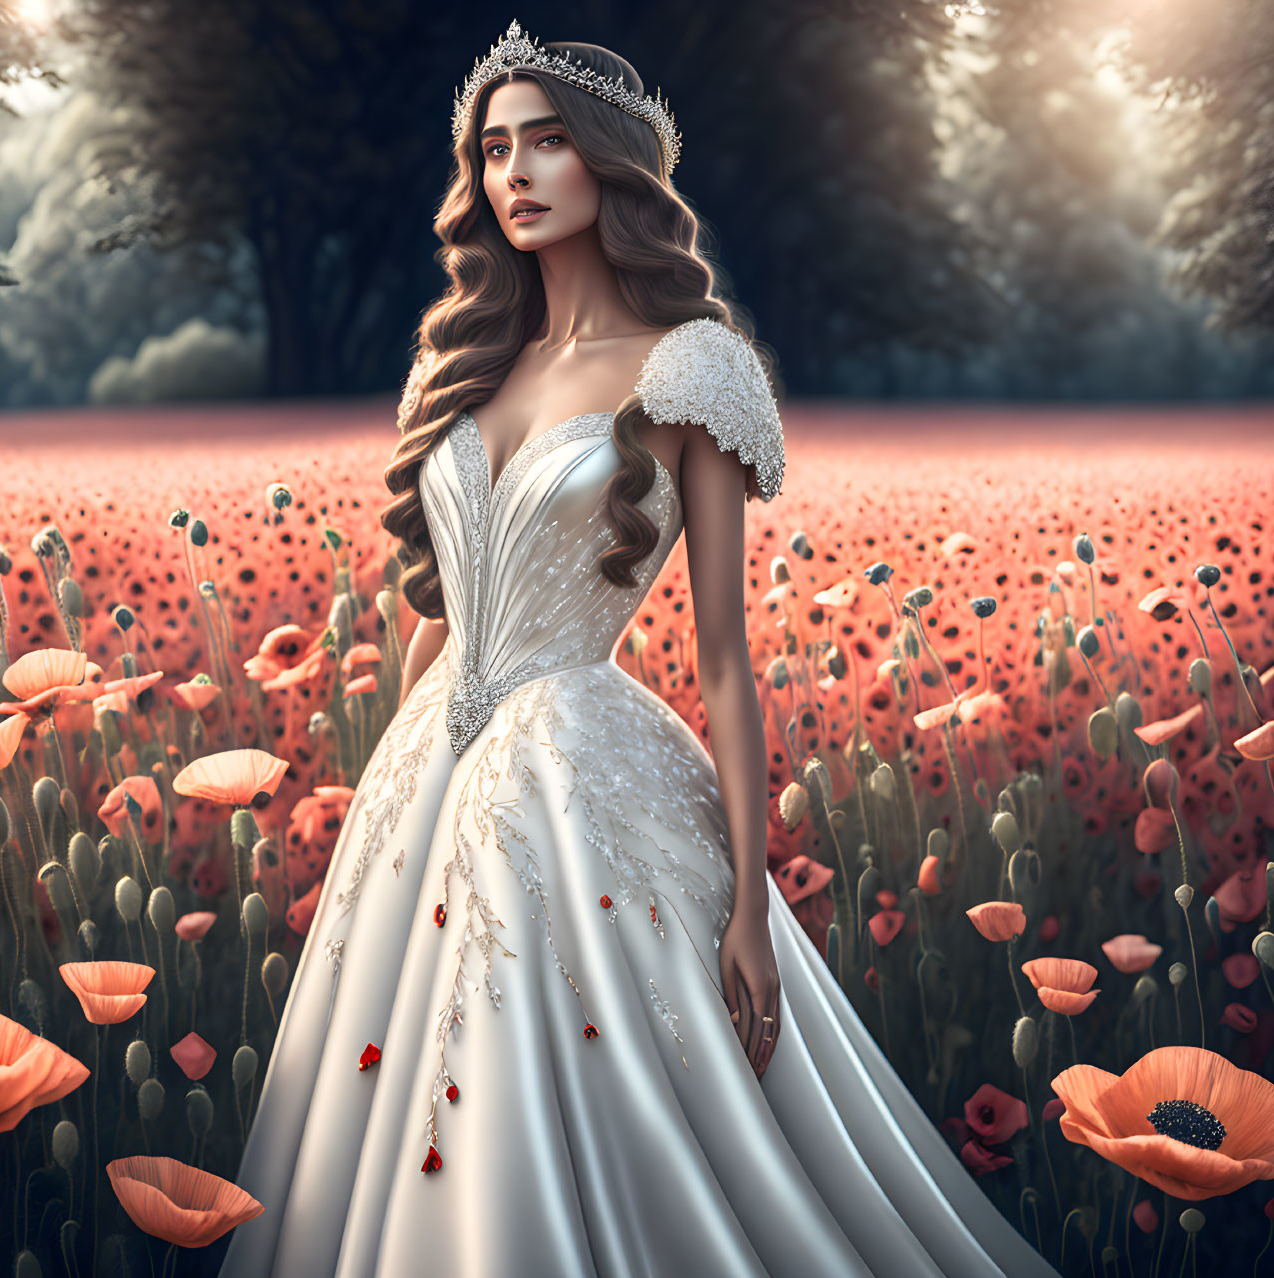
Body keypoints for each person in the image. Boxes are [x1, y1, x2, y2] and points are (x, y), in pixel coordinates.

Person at [213, 21, 1062, 1278]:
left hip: (577, 774)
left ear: (611, 166)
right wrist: (385, 796)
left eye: (547, 143)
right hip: (419, 790)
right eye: (494, 149)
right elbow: (433, 625)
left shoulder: (692, 369)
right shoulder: (463, 368)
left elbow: (723, 655)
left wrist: (750, 909)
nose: (515, 173)